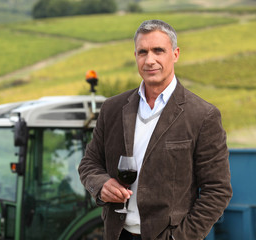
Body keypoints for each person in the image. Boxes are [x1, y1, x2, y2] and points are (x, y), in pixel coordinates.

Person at [78, 19, 232, 240]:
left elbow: (217, 191)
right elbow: (89, 164)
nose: (150, 60)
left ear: (175, 54)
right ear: (136, 57)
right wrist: (101, 185)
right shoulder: (112, 109)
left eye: (158, 51)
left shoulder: (202, 115)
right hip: (117, 234)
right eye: (143, 52)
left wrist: (181, 237)